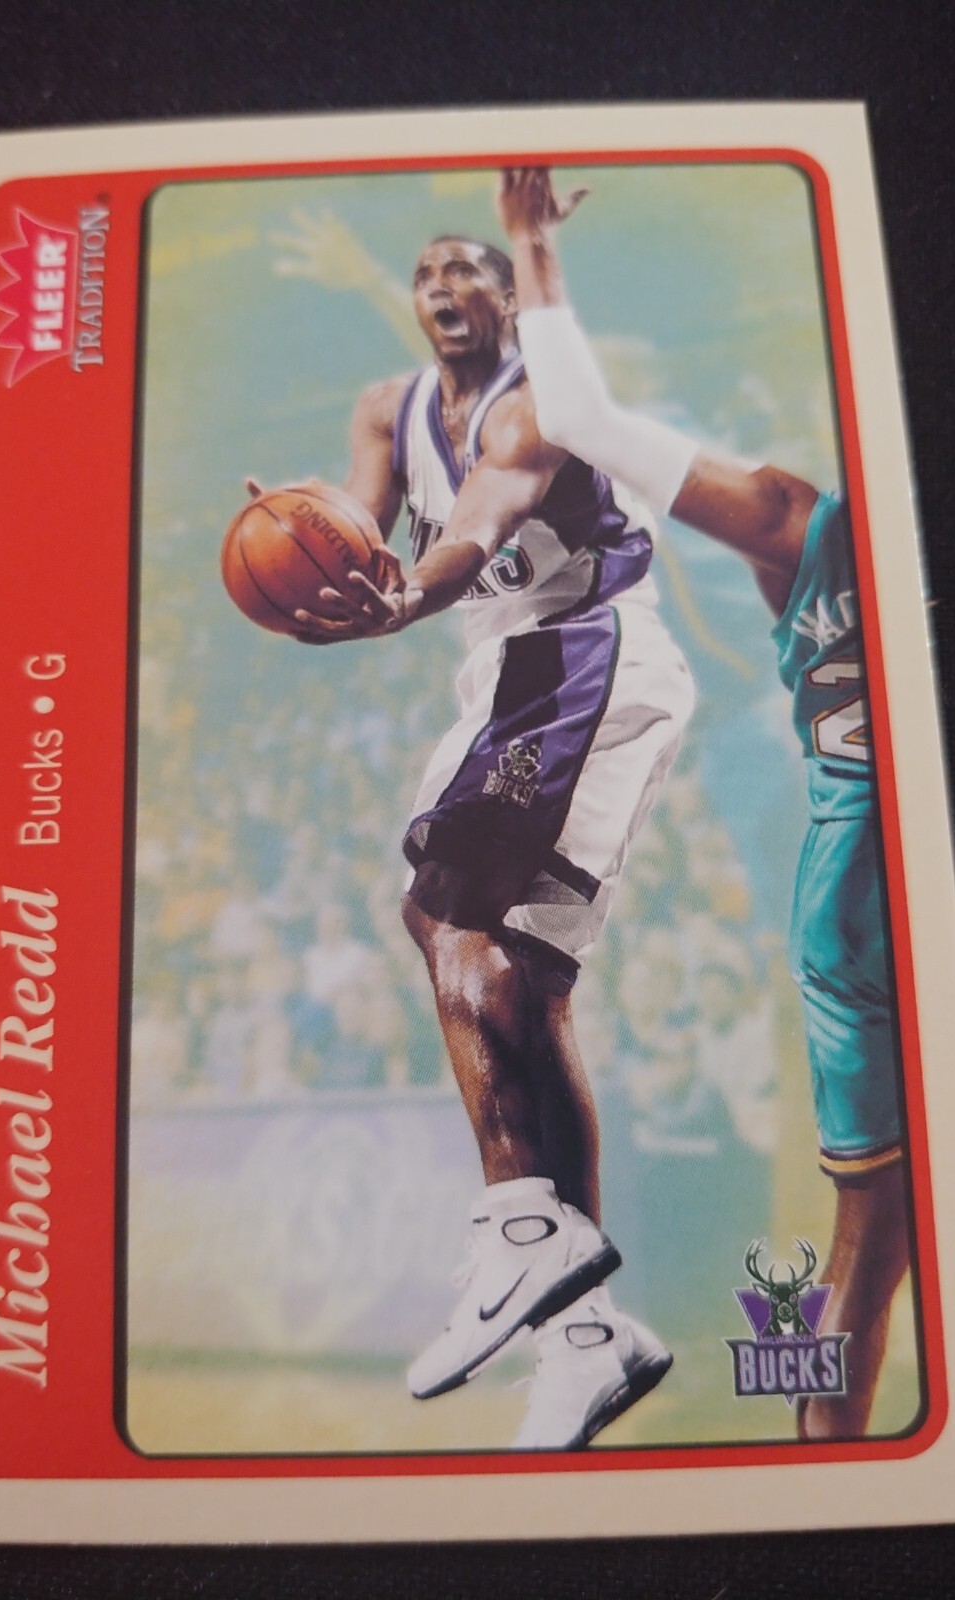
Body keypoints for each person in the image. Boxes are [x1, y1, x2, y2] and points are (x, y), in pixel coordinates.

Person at [494, 166, 910, 1439]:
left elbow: (577, 409)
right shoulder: (836, 524)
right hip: (891, 848)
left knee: (869, 1245)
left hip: (836, 876)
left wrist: (530, 248)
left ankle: (831, 1485)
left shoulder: (792, 514)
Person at [271, 231, 696, 1449]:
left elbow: (469, 532)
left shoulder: (537, 406)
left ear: (511, 298)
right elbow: (360, 529)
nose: (444, 290)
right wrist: (309, 560)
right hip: (520, 676)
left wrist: (408, 594)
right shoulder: (386, 407)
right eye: (425, 276)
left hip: (583, 655)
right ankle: (587, 1337)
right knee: (523, 984)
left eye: (469, 271)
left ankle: (519, 1224)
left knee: (441, 910)